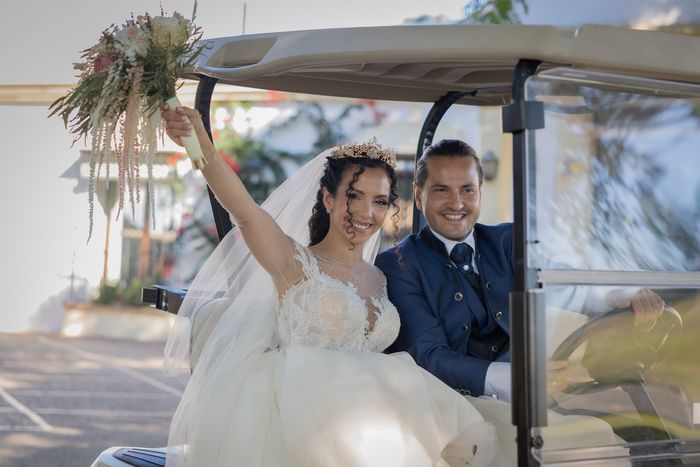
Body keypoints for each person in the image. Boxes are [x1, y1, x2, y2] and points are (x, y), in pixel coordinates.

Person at [160, 107, 496, 467]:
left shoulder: (382, 276)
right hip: (303, 420)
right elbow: (244, 211)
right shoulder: (294, 264)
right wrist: (201, 150)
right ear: (328, 199)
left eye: (379, 201)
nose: (366, 213)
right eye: (354, 196)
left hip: (372, 423)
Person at [375, 139, 665, 402]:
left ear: (480, 192)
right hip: (452, 406)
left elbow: (558, 279)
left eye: (467, 189)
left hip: (531, 404)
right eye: (441, 190)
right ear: (418, 193)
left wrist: (620, 295)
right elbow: (428, 356)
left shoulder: (507, 241)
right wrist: (516, 379)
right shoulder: (398, 264)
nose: (457, 203)